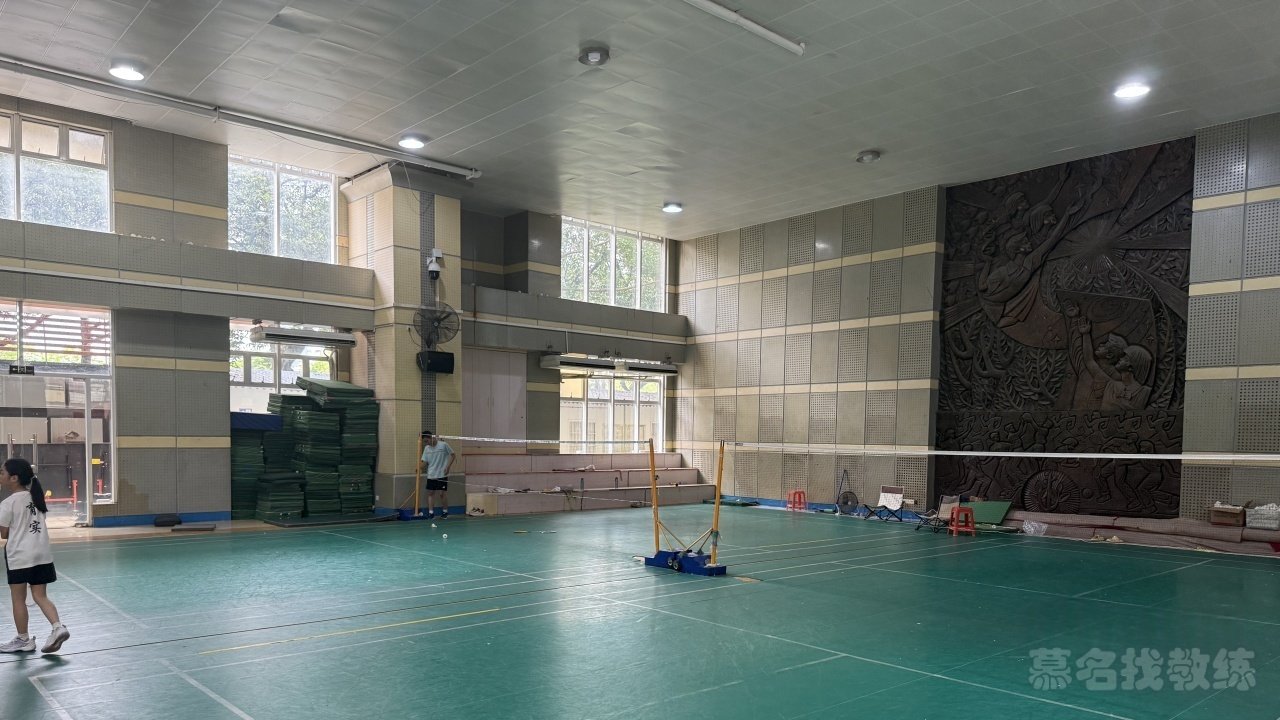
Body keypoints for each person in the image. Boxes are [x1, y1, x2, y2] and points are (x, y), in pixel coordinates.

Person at [0, 458, 69, 654]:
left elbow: (4, 534)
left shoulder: (8, 503)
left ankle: (23, 639)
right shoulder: (36, 497)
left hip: (20, 556)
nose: (0, 476)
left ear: (14, 478)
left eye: (2, 473)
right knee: (40, 596)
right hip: (42, 554)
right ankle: (58, 627)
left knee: (18, 599)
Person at [419, 431, 455, 520]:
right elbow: (425, 461)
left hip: (442, 474)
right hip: (431, 475)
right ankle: (431, 513)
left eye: (427, 441)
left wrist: (448, 467)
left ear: (432, 438)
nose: (426, 443)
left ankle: (445, 511)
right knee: (431, 493)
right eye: (424, 442)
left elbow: (453, 455)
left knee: (442, 494)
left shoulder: (443, 445)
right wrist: (418, 468)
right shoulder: (427, 448)